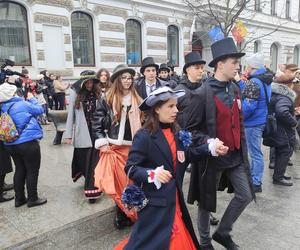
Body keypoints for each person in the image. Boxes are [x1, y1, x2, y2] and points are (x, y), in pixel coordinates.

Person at [114, 86, 228, 250]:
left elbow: (186, 156)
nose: (176, 110)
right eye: (170, 106)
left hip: (175, 202)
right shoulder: (143, 136)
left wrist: (210, 149)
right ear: (157, 109)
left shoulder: (177, 132)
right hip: (155, 206)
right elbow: (131, 168)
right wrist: (152, 174)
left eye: (176, 105)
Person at [186, 37, 254, 250]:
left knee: (245, 195)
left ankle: (223, 232)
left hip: (234, 156)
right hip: (212, 159)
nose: (237, 66)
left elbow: (238, 120)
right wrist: (210, 143)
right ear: (220, 64)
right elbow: (190, 131)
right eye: (234, 62)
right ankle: (205, 242)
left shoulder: (235, 88)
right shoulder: (201, 93)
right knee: (206, 201)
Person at [92, 64, 144, 229]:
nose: (127, 81)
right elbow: (96, 122)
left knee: (132, 183)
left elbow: (145, 120)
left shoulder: (138, 97)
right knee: (119, 184)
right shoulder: (107, 99)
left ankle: (131, 213)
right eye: (124, 78)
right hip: (114, 148)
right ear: (117, 80)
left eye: (129, 78)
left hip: (134, 147)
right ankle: (121, 214)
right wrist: (101, 141)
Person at [0, 83, 46, 208]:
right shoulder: (22, 104)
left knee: (20, 169)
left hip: (10, 144)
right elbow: (40, 110)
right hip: (27, 143)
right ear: (12, 94)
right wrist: (32, 98)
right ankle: (33, 198)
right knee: (32, 170)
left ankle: (19, 199)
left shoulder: (2, 107)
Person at [64, 70, 102, 203]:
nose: (90, 84)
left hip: (96, 131)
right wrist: (68, 135)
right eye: (88, 82)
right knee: (84, 158)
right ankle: (89, 179)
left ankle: (93, 187)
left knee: (94, 160)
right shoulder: (75, 92)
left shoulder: (98, 93)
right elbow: (70, 115)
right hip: (83, 132)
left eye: (92, 82)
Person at [238, 53, 273, 192]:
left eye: (247, 65)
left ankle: (256, 181)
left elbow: (249, 106)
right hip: (260, 120)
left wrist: (240, 117)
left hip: (252, 123)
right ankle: (254, 178)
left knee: (255, 153)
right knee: (255, 152)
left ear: (252, 66)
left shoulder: (254, 82)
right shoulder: (265, 79)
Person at [264, 64, 298, 186]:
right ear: (289, 85)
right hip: (282, 129)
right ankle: (278, 177)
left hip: (277, 128)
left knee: (282, 151)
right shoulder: (284, 96)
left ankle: (279, 175)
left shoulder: (277, 94)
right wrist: (293, 122)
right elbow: (282, 111)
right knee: (285, 151)